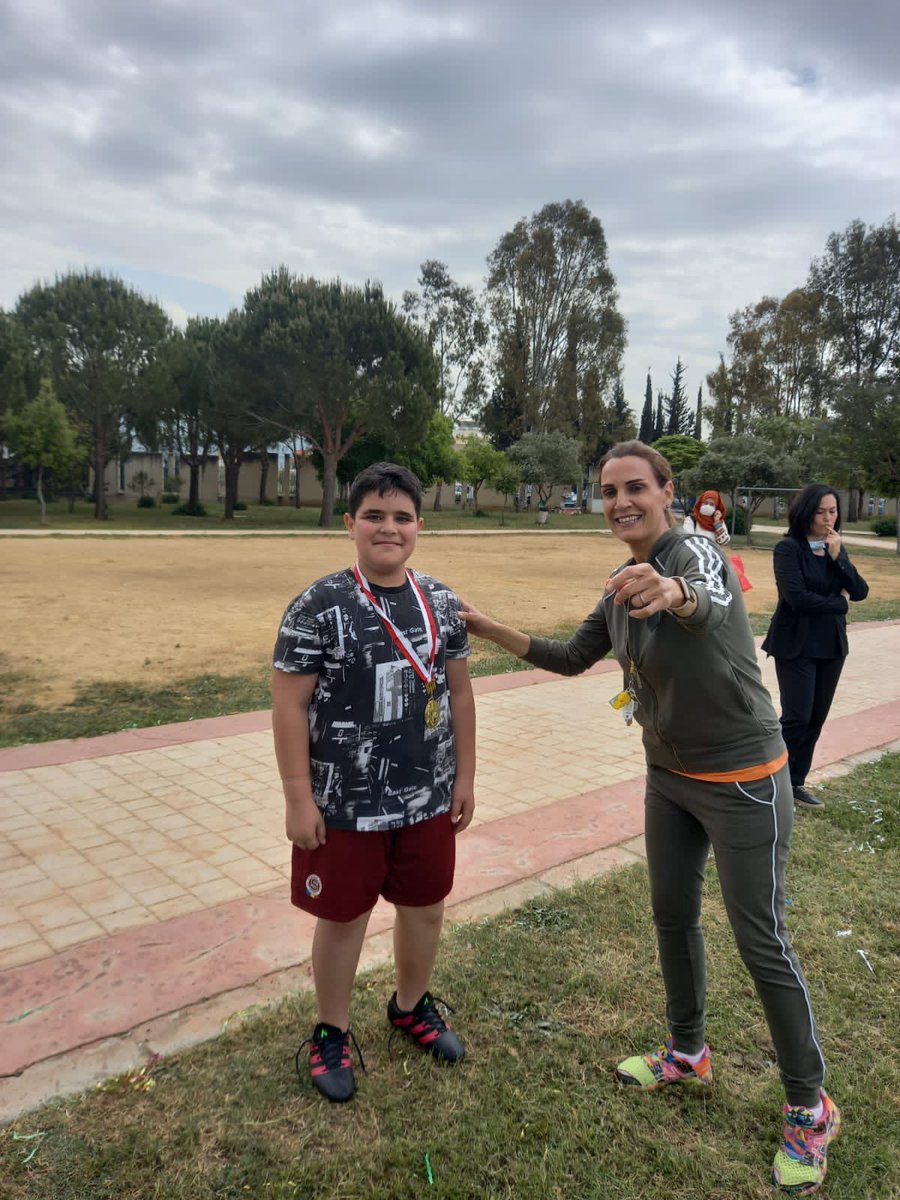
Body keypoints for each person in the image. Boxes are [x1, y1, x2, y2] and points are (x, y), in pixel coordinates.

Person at [458, 441, 840, 1195]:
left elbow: (710, 597)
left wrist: (674, 593)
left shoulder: (694, 549)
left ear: (669, 490)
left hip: (744, 781)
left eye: (635, 487)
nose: (620, 501)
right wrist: (486, 626)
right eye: (607, 491)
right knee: (671, 916)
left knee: (761, 939)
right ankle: (688, 1054)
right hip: (669, 776)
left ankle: (809, 1103)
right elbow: (572, 657)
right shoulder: (618, 584)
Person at [272, 462, 476, 1103]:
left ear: (420, 525)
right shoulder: (317, 605)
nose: (389, 528)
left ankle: (411, 1006)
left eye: (402, 517)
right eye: (374, 516)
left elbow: (461, 694)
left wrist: (463, 775)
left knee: (425, 908)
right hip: (342, 807)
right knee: (342, 917)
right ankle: (331, 1032)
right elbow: (288, 707)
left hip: (425, 796)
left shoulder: (442, 602)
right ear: (350, 524)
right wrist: (298, 796)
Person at [761, 484, 868, 809]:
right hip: (795, 644)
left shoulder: (835, 547)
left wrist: (840, 559)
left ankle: (795, 782)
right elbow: (796, 599)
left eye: (833, 511)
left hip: (831, 645)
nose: (827, 518)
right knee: (797, 718)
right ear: (806, 512)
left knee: (816, 719)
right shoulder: (788, 549)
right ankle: (768, 778)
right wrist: (839, 604)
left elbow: (860, 591)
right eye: (820, 511)